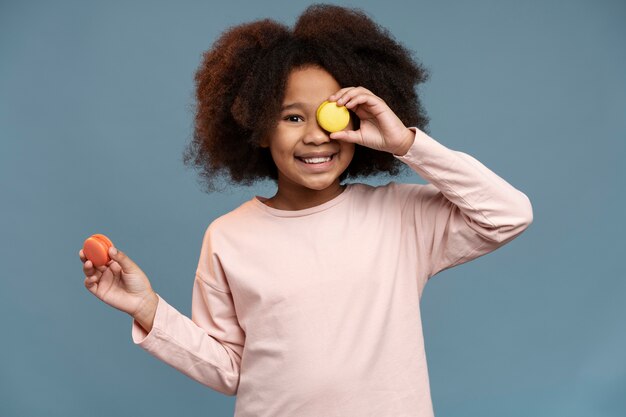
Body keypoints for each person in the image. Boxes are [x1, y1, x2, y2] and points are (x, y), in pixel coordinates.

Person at [78, 4, 533, 417]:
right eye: (293, 117)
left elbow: (508, 213)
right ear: (257, 127)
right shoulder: (229, 237)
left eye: (332, 116)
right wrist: (148, 308)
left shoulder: (400, 215)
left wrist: (406, 144)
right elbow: (230, 371)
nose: (316, 136)